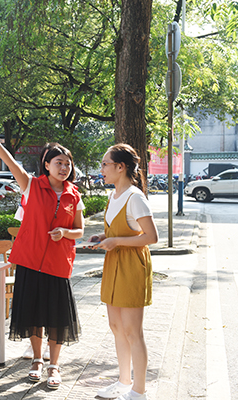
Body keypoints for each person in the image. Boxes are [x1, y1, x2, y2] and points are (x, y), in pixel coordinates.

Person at [0, 126, 84, 390]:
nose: (64, 168)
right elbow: (11, 162)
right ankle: (37, 360)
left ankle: (54, 365)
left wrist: (65, 232)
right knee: (34, 314)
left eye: (67, 164)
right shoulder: (32, 186)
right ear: (47, 165)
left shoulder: (74, 195)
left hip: (58, 264)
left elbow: (79, 230)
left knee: (57, 317)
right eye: (59, 163)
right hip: (30, 262)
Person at [89, 144, 159, 400]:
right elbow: (121, 229)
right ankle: (123, 382)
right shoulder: (114, 195)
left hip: (131, 266)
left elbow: (151, 237)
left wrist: (116, 241)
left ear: (121, 167)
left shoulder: (135, 197)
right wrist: (104, 236)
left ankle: (139, 392)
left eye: (105, 164)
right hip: (114, 264)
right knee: (116, 326)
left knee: (132, 332)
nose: (102, 169)